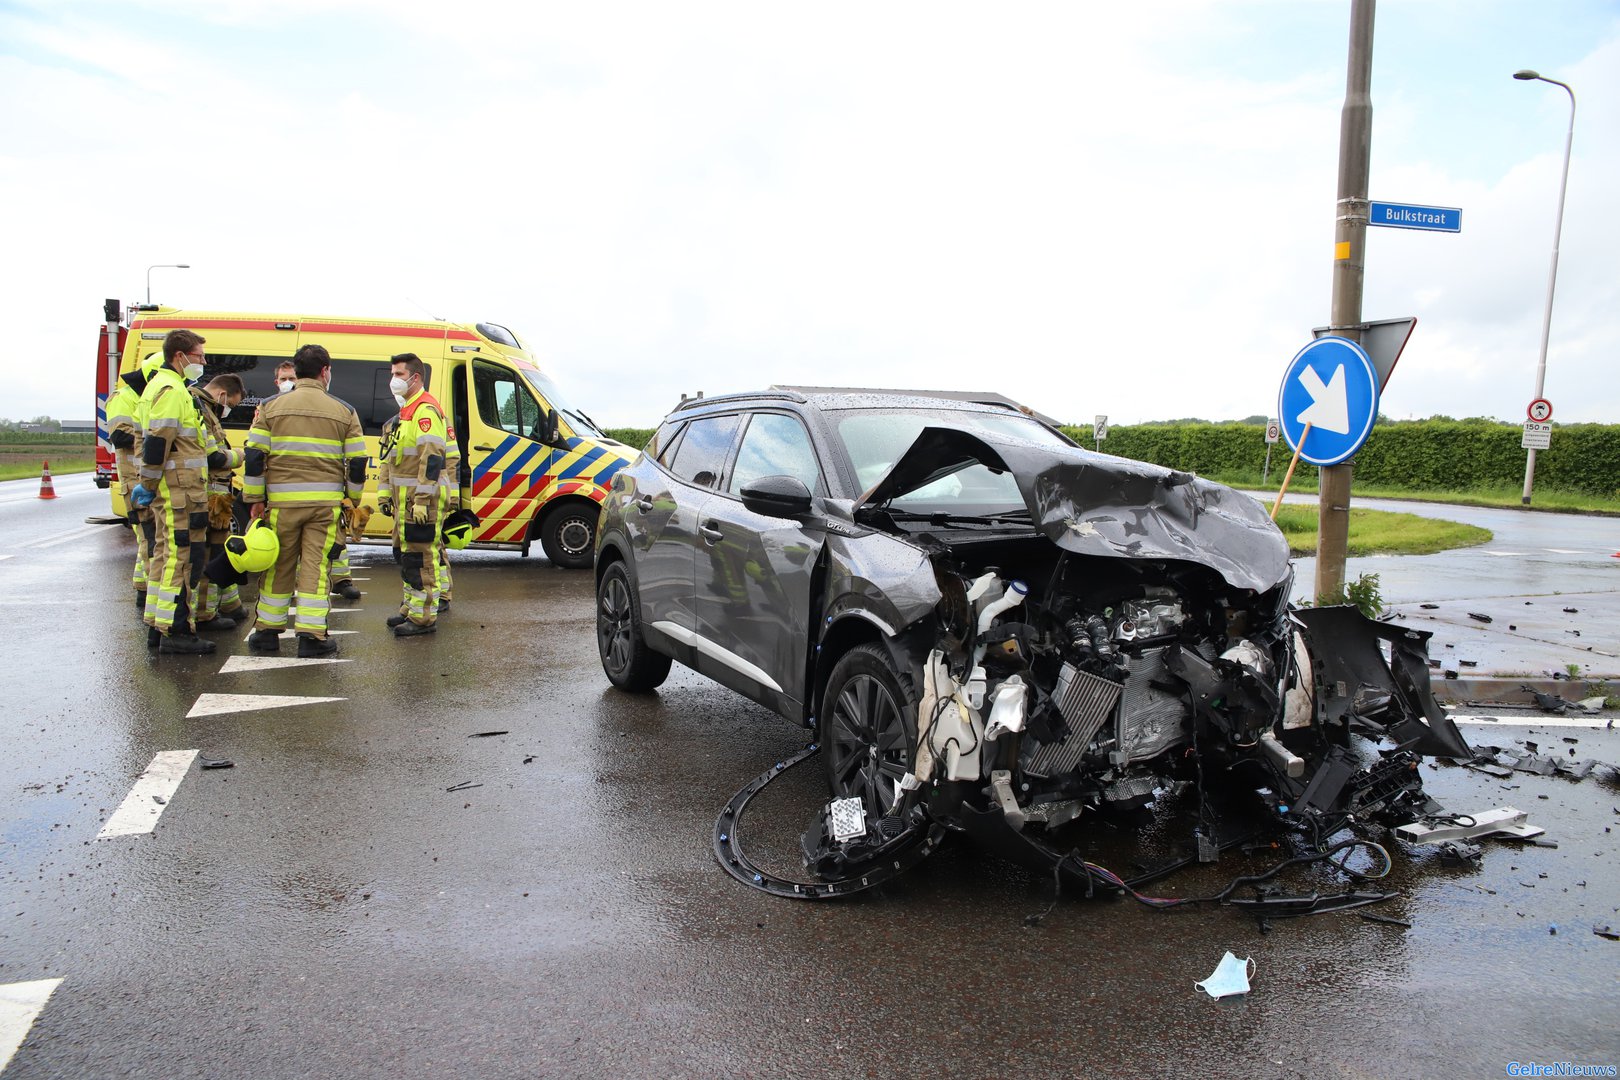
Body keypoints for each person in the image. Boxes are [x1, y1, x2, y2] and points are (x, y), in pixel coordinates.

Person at [242, 344, 367, 657]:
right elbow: (357, 462)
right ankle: (311, 637)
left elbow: (254, 456)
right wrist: (352, 498)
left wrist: (255, 498)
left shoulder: (269, 407)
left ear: (296, 372)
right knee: (316, 568)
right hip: (324, 508)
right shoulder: (345, 411)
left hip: (281, 506)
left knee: (278, 566)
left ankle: (267, 633)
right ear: (325, 371)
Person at [131, 330, 218, 654]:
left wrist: (149, 485)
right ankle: (175, 632)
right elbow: (158, 443)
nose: (203, 362)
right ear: (179, 356)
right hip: (179, 491)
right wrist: (149, 484)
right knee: (181, 559)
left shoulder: (162, 387)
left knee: (165, 556)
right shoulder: (171, 390)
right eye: (199, 356)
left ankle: (157, 625)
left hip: (174, 489)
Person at [381, 352, 448, 637]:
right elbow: (393, 459)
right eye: (393, 374)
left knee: (421, 559)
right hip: (405, 499)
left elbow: (431, 459)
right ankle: (410, 607)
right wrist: (387, 495)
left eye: (399, 374)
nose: (393, 380)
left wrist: (421, 500)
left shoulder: (425, 410)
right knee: (407, 557)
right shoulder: (407, 411)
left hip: (421, 500)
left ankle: (423, 618)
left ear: (415, 377)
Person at [105, 351, 165, 613]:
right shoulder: (124, 397)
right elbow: (119, 436)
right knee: (150, 541)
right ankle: (152, 601)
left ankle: (143, 590)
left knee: (148, 541)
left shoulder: (145, 396)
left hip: (148, 478)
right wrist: (160, 440)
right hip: (136, 480)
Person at [189, 373, 247, 630]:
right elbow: (213, 457)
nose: (229, 409)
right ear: (223, 395)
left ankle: (219, 608)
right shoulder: (199, 409)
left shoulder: (207, 410)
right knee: (206, 557)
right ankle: (204, 615)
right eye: (231, 404)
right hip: (207, 497)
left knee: (218, 552)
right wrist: (240, 455)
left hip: (215, 498)